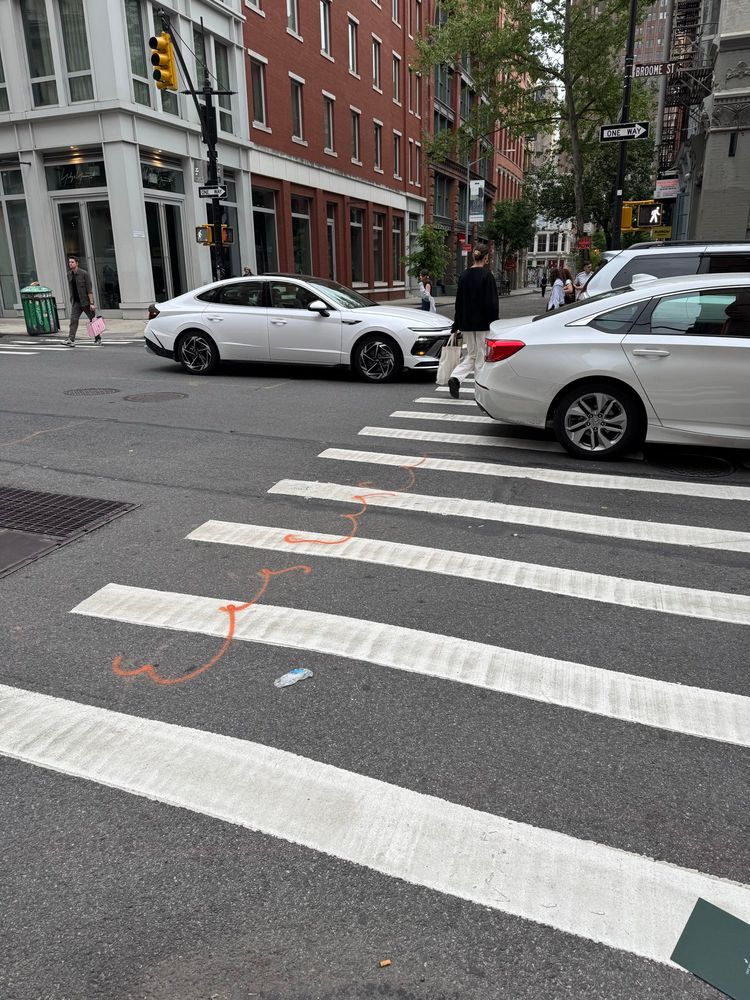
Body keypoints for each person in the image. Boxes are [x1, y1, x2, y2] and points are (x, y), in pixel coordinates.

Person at [447, 245, 499, 399]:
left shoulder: (464, 276)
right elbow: (492, 303)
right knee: (481, 355)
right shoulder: (487, 276)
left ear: (473, 257)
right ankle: (479, 388)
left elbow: (459, 303)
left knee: (472, 354)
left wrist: (456, 325)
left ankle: (455, 377)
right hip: (483, 323)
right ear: (486, 258)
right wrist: (495, 323)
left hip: (467, 323)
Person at [65, 256, 97, 346]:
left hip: (86, 302)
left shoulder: (84, 274)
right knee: (73, 320)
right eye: (69, 262)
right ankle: (71, 340)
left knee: (93, 320)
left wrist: (92, 303)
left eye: (72, 262)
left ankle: (98, 339)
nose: (70, 264)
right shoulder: (69, 274)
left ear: (77, 263)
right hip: (76, 302)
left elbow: (89, 290)